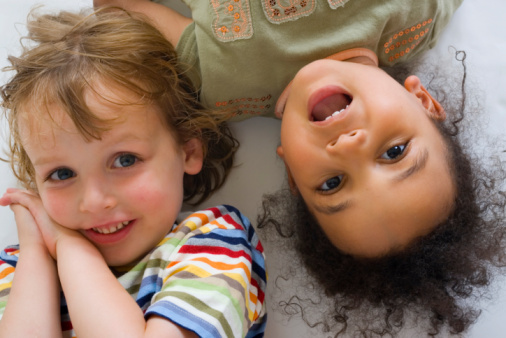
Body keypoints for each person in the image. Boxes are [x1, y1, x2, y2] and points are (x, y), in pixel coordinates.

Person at [0, 8, 267, 337]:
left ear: (189, 150)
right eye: (62, 174)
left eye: (125, 160)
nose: (95, 201)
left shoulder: (213, 242)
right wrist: (39, 254)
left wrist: (69, 247)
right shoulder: (21, 266)